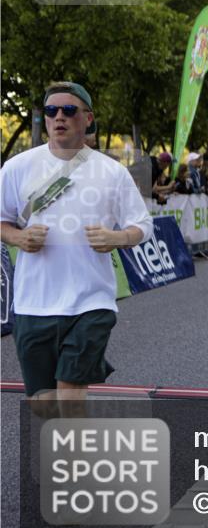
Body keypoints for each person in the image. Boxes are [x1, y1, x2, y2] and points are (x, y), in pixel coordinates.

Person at [0, 81, 153, 416]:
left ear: (87, 118)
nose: (59, 117)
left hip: (91, 301)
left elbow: (143, 225)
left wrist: (116, 238)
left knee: (70, 395)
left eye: (69, 110)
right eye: (51, 110)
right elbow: (2, 221)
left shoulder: (111, 172)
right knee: (44, 405)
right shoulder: (17, 168)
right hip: (33, 303)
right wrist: (18, 238)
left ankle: (70, 466)